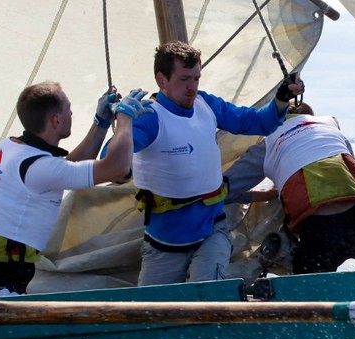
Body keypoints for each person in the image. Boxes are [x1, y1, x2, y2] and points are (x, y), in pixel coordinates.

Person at [130, 40, 304, 286]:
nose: (192, 87)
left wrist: (281, 98)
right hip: (164, 243)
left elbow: (259, 122)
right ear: (162, 80)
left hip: (212, 231)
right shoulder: (148, 117)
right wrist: (117, 122)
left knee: (207, 296)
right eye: (184, 79)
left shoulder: (206, 104)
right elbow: (113, 161)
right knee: (153, 313)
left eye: (196, 78)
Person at [0, 82, 149, 298]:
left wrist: (100, 124)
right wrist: (125, 119)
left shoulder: (11, 147)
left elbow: (67, 169)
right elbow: (117, 168)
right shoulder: (40, 169)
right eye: (68, 109)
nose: (72, 112)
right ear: (56, 120)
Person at [225, 102, 355, 274]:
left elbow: (225, 188)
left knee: (311, 271)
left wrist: (263, 195)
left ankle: (286, 254)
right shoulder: (330, 128)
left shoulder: (270, 141)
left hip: (324, 234)